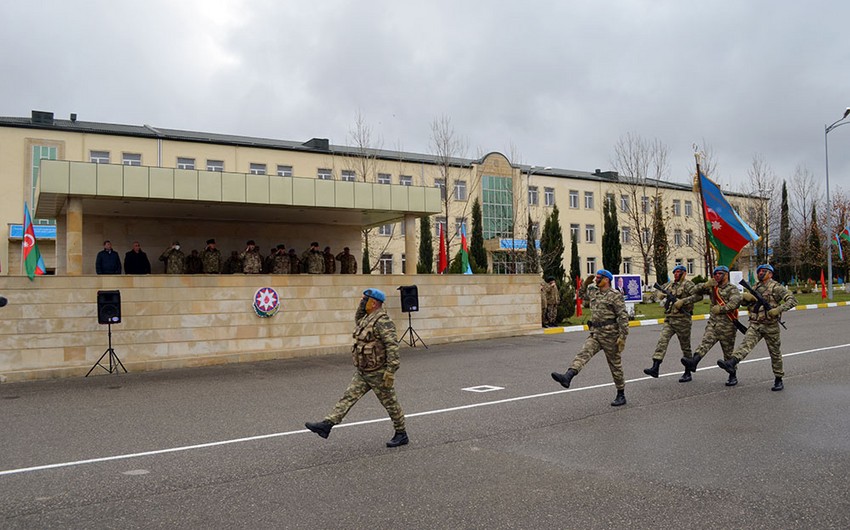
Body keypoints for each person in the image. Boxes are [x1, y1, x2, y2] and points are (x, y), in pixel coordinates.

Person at [305, 288, 408, 447]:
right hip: (364, 371)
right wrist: (362, 304)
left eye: (365, 300)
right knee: (348, 397)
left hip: (379, 372)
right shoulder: (367, 318)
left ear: (373, 303)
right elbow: (358, 318)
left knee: (390, 403)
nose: (362, 302)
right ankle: (327, 425)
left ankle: (401, 433)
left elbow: (392, 346)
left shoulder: (382, 321)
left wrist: (390, 371)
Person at [551, 269, 629, 406]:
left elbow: (623, 317)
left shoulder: (615, 295)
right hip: (596, 333)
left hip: (610, 335)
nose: (596, 279)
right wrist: (584, 284)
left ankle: (621, 393)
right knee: (583, 354)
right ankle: (568, 376)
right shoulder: (594, 291)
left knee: (615, 365)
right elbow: (580, 295)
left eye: (599, 278)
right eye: (596, 277)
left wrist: (622, 337)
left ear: (606, 280)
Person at [717, 264, 797, 391]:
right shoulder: (755, 287)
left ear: (770, 274)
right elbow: (748, 302)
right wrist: (744, 298)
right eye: (759, 271)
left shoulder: (776, 287)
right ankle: (731, 362)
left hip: (770, 325)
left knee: (775, 353)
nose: (760, 273)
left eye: (764, 271)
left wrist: (778, 309)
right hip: (755, 324)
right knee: (745, 344)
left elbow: (792, 300)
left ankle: (778, 378)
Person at [680, 266, 742, 386]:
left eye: (719, 274)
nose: (716, 276)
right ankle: (694, 362)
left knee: (728, 353)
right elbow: (694, 291)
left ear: (726, 275)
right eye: (715, 274)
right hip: (713, 324)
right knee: (705, 343)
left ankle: (732, 375)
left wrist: (722, 308)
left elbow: (735, 303)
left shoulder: (732, 289)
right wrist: (705, 285)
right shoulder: (713, 287)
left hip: (727, 325)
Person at [644, 265, 697, 382]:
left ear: (684, 273)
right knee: (662, 342)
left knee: (685, 347)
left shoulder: (689, 285)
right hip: (669, 319)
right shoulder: (670, 284)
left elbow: (698, 296)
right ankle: (655, 367)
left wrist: (683, 301)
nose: (676, 274)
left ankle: (688, 372)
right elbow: (657, 292)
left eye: (678, 272)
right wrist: (660, 294)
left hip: (683, 319)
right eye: (674, 272)